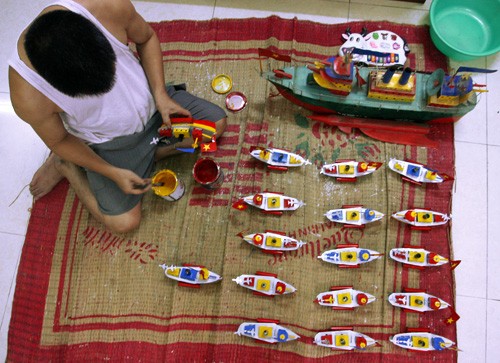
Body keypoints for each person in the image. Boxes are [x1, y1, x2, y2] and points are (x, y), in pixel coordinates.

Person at [8, 0, 227, 233]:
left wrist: (161, 95)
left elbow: (147, 38)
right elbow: (60, 140)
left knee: (215, 126)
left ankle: (146, 156)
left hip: (154, 106)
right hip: (108, 143)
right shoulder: (28, 95)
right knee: (124, 223)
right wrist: (111, 171)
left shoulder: (106, 6)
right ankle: (66, 165)